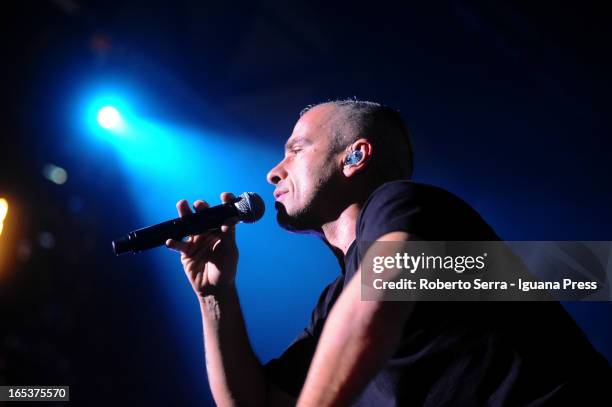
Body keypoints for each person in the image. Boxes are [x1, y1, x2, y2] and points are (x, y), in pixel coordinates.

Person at [166, 100, 611, 406]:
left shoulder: (404, 204)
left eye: (296, 149)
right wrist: (214, 294)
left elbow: (379, 296)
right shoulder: (335, 301)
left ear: (355, 156)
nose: (272, 172)